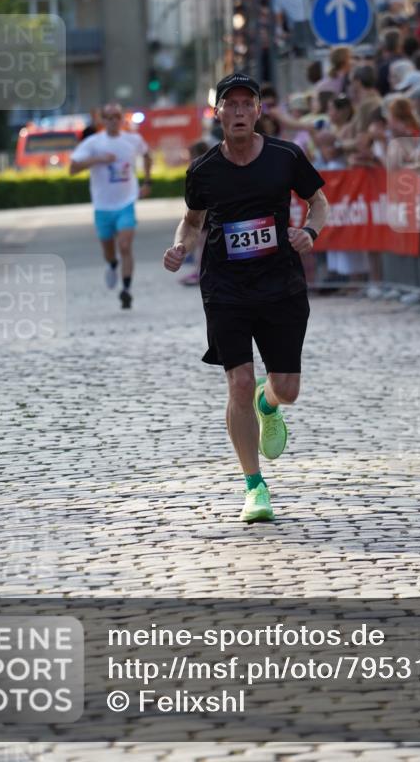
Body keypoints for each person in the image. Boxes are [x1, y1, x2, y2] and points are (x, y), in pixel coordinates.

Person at [162, 72, 328, 524]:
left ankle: (268, 403)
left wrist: (309, 231)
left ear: (258, 111)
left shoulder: (285, 156)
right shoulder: (203, 169)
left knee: (287, 390)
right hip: (226, 288)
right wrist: (181, 246)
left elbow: (319, 202)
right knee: (236, 381)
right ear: (216, 113)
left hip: (281, 285)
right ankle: (255, 487)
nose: (237, 112)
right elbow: (192, 221)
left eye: (245, 104)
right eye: (229, 105)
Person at [70, 103, 152, 310]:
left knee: (125, 246)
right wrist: (97, 159)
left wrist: (147, 182)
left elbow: (147, 154)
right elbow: (72, 168)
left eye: (117, 116)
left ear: (122, 119)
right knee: (109, 250)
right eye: (109, 117)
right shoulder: (93, 143)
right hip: (103, 206)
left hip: (126, 203)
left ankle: (126, 290)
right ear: (102, 120)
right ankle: (112, 264)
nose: (114, 121)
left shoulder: (132, 140)